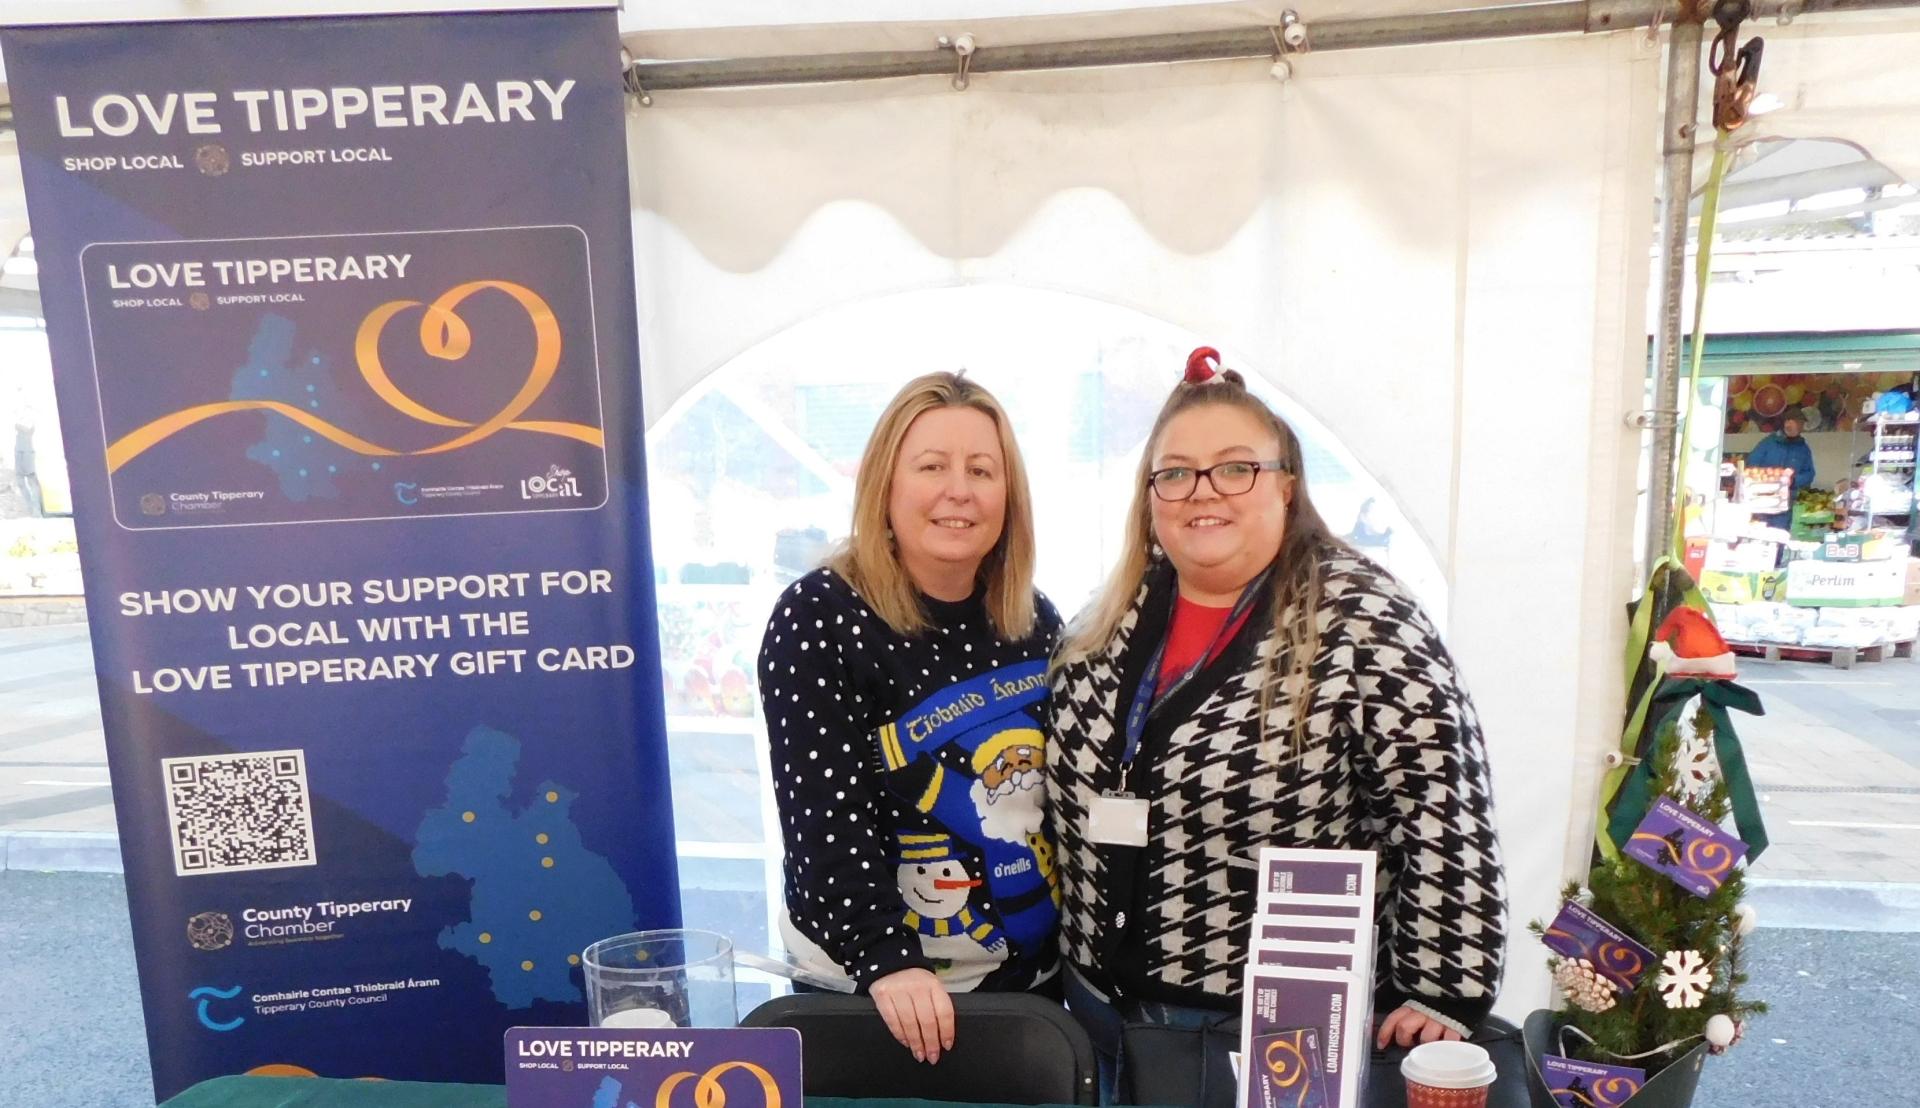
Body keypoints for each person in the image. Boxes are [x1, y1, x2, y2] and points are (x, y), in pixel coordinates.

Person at [1048, 348, 1507, 1098]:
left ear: (1286, 485)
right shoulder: (1110, 616)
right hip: (1098, 1013)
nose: (1204, 491)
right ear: (1150, 494)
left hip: (1266, 1036)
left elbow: (1442, 807)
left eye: (1236, 468)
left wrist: (1443, 989)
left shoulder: (1365, 620)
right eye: (1176, 473)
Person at [758, 372, 1063, 1067]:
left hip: (1027, 985)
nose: (959, 490)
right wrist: (887, 960)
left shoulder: (1033, 617)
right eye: (932, 466)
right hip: (876, 989)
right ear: (885, 486)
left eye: (981, 470)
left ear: (1008, 495)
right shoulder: (819, 616)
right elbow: (824, 814)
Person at [1744, 413, 1815, 530]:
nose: (1801, 426)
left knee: (1780, 533)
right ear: (1786, 423)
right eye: (1797, 422)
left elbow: (1809, 473)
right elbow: (1752, 465)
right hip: (1762, 499)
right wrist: (1767, 479)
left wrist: (1794, 480)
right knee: (1759, 532)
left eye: (1801, 423)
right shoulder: (1769, 443)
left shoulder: (1803, 448)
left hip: (1786, 502)